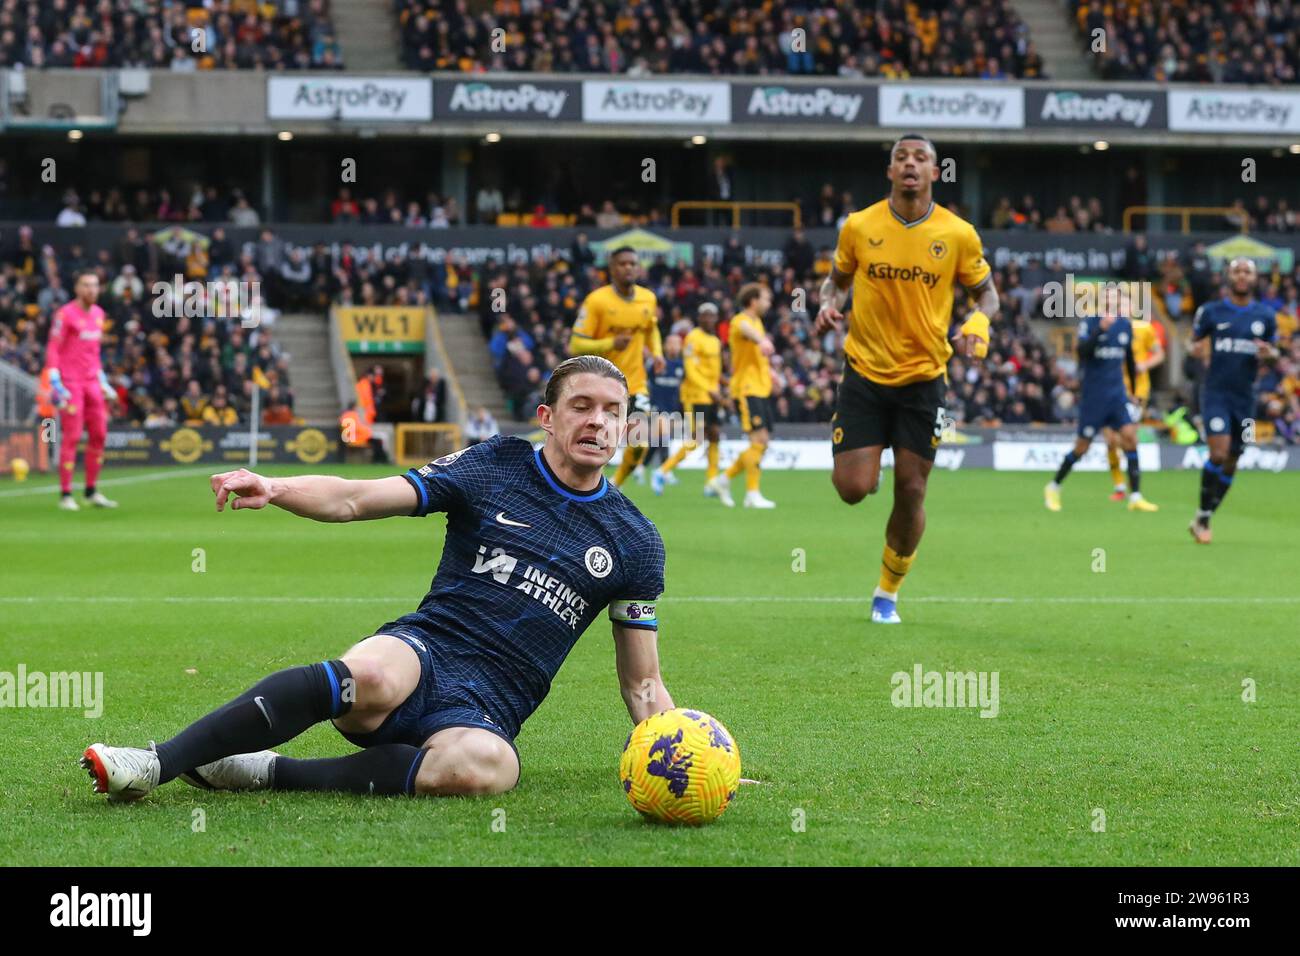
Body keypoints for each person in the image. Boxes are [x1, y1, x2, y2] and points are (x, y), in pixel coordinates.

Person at [81, 356, 673, 802]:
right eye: (581, 406)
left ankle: (265, 771)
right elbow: (358, 498)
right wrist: (278, 488)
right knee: (369, 676)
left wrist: (681, 756)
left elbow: (642, 685)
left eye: (612, 411)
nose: (598, 421)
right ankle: (155, 762)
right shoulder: (495, 464)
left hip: (486, 709)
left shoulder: (634, 540)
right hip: (422, 653)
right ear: (547, 417)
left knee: (489, 770)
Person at [815, 134, 998, 624]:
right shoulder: (859, 226)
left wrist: (978, 322)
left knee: (912, 490)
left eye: (921, 158)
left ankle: (887, 592)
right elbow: (834, 279)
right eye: (902, 158)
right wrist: (827, 302)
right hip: (864, 374)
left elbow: (988, 295)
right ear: (890, 171)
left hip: (923, 379)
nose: (911, 165)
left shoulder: (958, 234)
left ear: (935, 173)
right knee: (853, 488)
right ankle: (867, 466)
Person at [1044, 287, 1159, 514]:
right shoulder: (1090, 322)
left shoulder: (1125, 325)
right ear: (1102, 301)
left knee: (1130, 438)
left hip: (1117, 396)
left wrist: (1134, 393)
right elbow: (1083, 351)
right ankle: (1053, 486)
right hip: (1094, 398)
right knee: (1082, 447)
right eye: (1107, 297)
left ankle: (1135, 496)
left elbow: (1129, 361)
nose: (1111, 301)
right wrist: (1100, 330)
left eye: (1115, 298)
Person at [1189, 258, 1279, 543]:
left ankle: (1204, 517)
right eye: (1237, 271)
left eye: (1247, 272)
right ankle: (1203, 516)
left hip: (1246, 399)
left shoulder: (1265, 316)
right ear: (1227, 276)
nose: (1242, 276)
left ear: (1255, 278)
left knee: (1235, 458)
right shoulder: (1211, 312)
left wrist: (1270, 355)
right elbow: (1193, 342)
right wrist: (1196, 350)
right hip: (1216, 394)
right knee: (1218, 453)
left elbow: (1275, 354)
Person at [569, 246, 663, 487]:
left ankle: (615, 486)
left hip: (636, 382)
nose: (629, 268)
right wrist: (611, 342)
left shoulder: (648, 298)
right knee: (595, 441)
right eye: (623, 263)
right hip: (601, 384)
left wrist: (658, 354)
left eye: (633, 263)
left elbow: (651, 329)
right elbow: (575, 344)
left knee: (640, 442)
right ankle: (577, 485)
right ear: (611, 269)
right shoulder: (597, 301)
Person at [43, 271, 119, 511]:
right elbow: (54, 347)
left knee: (99, 434)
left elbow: (93, 353)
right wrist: (54, 379)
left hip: (91, 382)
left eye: (95, 285)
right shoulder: (64, 314)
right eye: (86, 285)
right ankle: (66, 494)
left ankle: (90, 491)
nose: (91, 290)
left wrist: (103, 381)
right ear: (77, 288)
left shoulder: (98, 314)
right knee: (73, 436)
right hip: (70, 382)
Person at [708, 284, 777, 509]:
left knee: (762, 443)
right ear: (753, 301)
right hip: (747, 390)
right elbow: (748, 331)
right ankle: (751, 493)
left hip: (760, 388)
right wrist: (762, 340)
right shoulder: (741, 321)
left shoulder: (758, 322)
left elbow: (756, 353)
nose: (769, 303)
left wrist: (770, 372)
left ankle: (723, 480)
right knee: (758, 442)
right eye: (766, 299)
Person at [653, 303, 725, 494]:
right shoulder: (693, 338)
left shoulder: (715, 341)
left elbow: (714, 371)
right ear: (699, 318)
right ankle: (662, 471)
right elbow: (691, 370)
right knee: (698, 438)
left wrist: (720, 386)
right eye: (705, 315)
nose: (709, 319)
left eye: (712, 315)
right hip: (695, 395)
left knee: (715, 435)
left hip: (711, 395)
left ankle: (711, 482)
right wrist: (710, 389)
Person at [1106, 309, 1165, 500]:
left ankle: (1135, 489)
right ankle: (1119, 486)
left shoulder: (1144, 328)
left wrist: (1145, 365)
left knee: (1127, 436)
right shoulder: (1105, 327)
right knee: (1110, 440)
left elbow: (1159, 354)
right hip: (1111, 388)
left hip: (1136, 390)